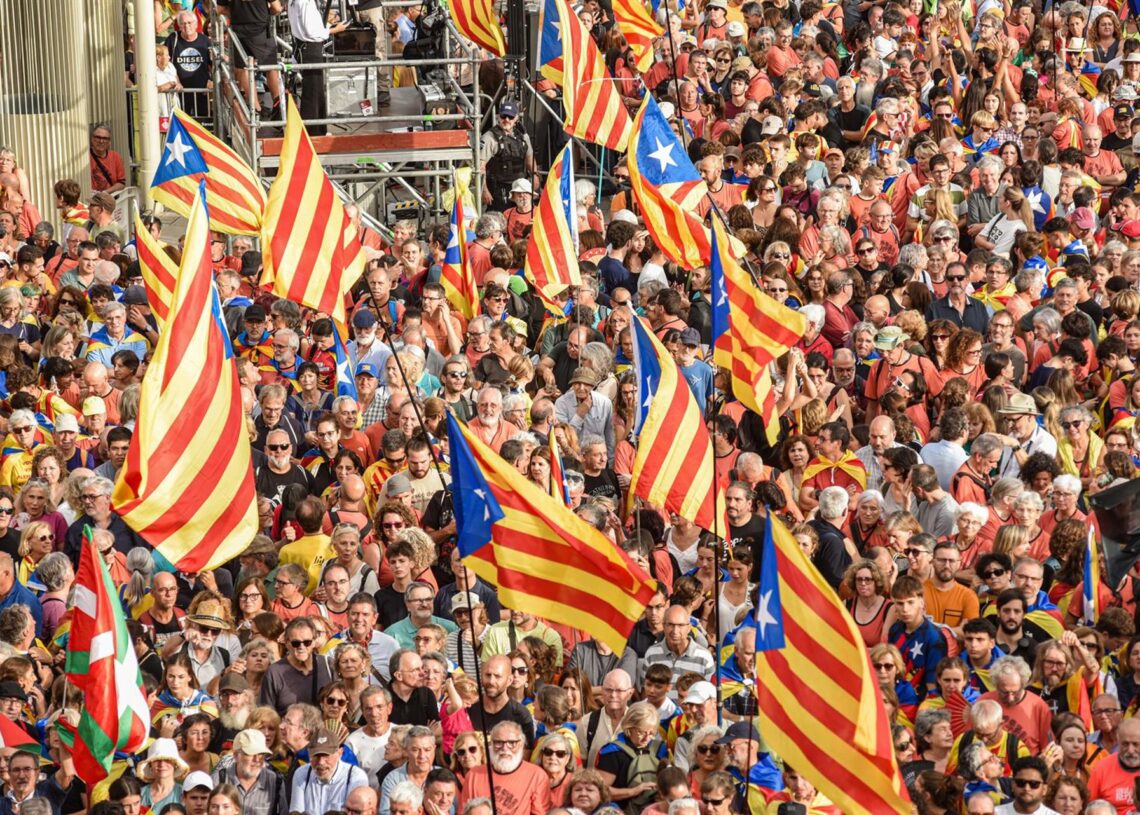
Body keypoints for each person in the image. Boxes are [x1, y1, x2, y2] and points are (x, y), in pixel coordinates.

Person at [288, 727, 369, 812]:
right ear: (309, 754)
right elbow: (296, 812)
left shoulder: (355, 777)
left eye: (326, 755)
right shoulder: (301, 774)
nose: (321, 762)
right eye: (316, 756)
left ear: (340, 753)